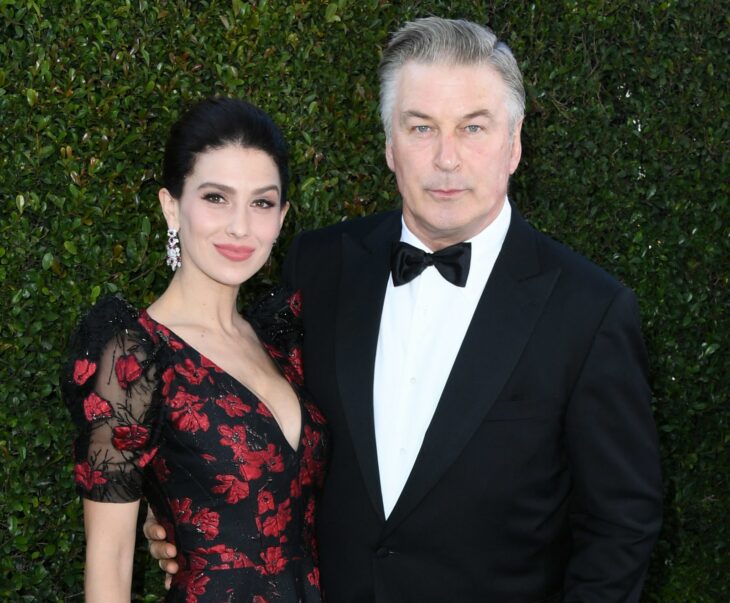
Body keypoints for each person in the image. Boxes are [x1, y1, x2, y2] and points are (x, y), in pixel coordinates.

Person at [147, 18, 663, 601]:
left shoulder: (590, 311)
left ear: (514, 143)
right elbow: (240, 420)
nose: (447, 159)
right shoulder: (318, 267)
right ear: (390, 145)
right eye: (422, 128)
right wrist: (177, 507)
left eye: (473, 127)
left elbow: (621, 525)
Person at [62, 98, 328, 602]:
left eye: (262, 203)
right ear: (170, 205)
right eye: (215, 198)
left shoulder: (280, 339)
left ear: (283, 216)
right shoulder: (131, 354)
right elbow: (110, 558)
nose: (240, 227)